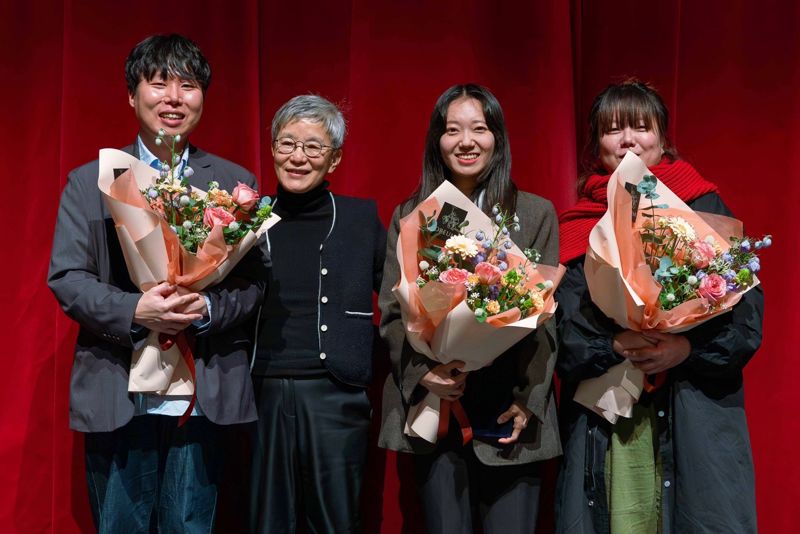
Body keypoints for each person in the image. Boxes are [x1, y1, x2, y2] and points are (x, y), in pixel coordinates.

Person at [47, 34, 267, 533]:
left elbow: (254, 285)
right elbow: (67, 276)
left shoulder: (234, 183)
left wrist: (206, 310)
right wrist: (135, 311)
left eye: (187, 86)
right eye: (159, 82)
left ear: (203, 98)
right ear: (132, 94)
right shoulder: (92, 181)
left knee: (190, 525)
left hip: (202, 394)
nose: (173, 97)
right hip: (119, 390)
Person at [555, 79, 763, 533]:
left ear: (663, 138)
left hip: (695, 414)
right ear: (597, 144)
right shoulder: (579, 221)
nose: (627, 139)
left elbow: (746, 322)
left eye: (640, 127)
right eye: (613, 129)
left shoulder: (702, 205)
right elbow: (563, 329)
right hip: (607, 418)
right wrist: (615, 343)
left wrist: (684, 349)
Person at [378, 83, 561, 533]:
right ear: (436, 142)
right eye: (452, 130)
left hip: (508, 416)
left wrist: (528, 403)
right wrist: (425, 374)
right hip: (437, 410)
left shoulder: (535, 214)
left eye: (479, 128)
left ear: (496, 137)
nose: (466, 141)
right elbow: (392, 312)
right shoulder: (412, 214)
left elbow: (544, 319)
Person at [249, 94, 386, 534]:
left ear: (335, 159)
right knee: (267, 521)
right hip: (261, 392)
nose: (298, 158)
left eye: (313, 147)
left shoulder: (360, 218)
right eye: (287, 144)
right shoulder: (246, 220)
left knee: (336, 521)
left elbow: (404, 300)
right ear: (272, 149)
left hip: (336, 394)